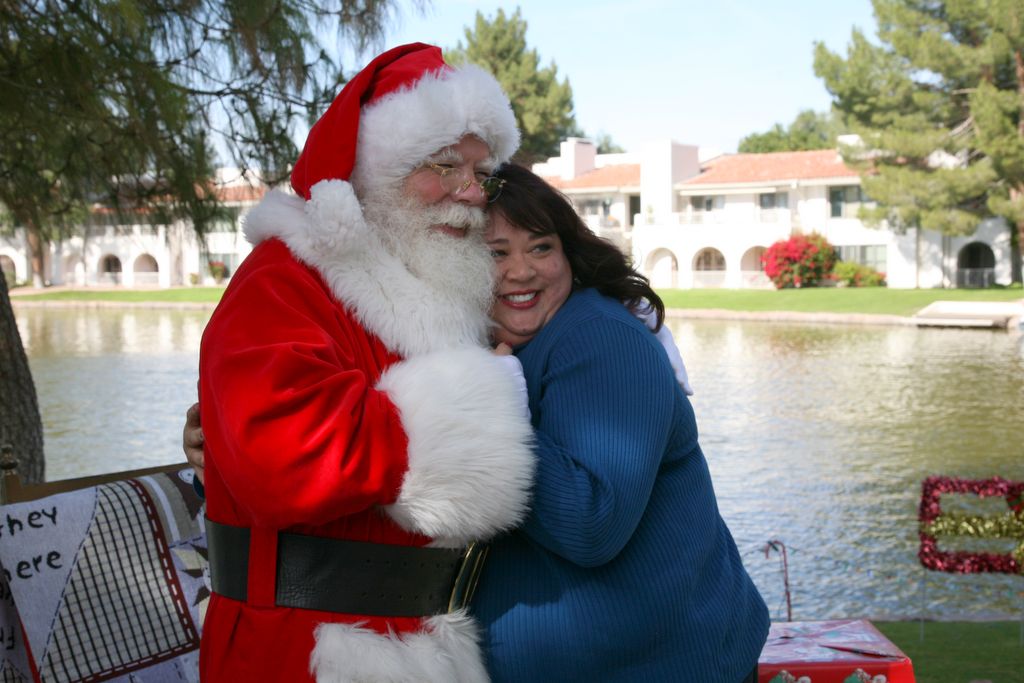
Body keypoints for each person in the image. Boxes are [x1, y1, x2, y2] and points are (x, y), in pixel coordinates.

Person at [194, 43, 536, 682]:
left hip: (428, 642)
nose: (469, 192)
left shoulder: (440, 284)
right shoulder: (285, 277)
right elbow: (277, 452)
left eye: (479, 172)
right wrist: (467, 412)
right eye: (442, 165)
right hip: (307, 650)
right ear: (375, 170)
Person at [467, 164, 769, 682]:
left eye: (541, 247)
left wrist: (491, 414)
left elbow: (591, 522)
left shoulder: (601, 340)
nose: (521, 271)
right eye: (496, 253)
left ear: (569, 254)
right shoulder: (509, 347)